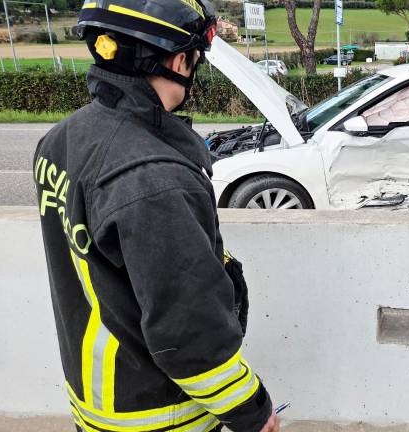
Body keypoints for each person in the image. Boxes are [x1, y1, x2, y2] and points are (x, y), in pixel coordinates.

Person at [32, 0, 279, 431]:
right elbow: (189, 332)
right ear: (181, 61)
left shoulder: (62, 139)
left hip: (96, 402)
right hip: (158, 413)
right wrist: (252, 411)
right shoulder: (155, 179)